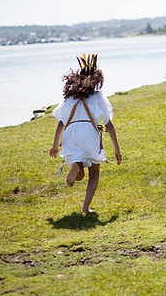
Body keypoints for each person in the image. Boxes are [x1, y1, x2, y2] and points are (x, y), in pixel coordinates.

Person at [49, 54, 122, 213]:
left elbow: (61, 122)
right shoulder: (97, 97)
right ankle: (85, 208)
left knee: (80, 167)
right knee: (94, 172)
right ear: (95, 79)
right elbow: (109, 125)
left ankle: (76, 166)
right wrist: (117, 149)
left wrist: (55, 145)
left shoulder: (69, 98)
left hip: (71, 134)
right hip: (89, 133)